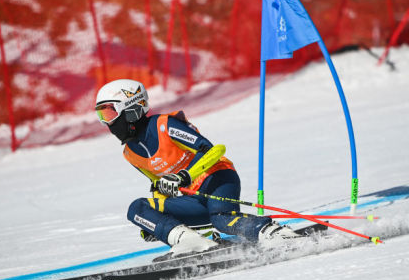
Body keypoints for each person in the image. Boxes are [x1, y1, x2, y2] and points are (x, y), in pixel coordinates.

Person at [95, 78, 299, 259]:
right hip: (193, 199)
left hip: (217, 179)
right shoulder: (130, 153)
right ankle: (192, 243)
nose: (107, 123)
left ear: (131, 108)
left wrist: (184, 176)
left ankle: (272, 233)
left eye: (109, 113)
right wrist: (156, 224)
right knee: (137, 209)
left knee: (222, 219)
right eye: (101, 115)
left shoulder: (165, 125)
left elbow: (213, 150)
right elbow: (158, 186)